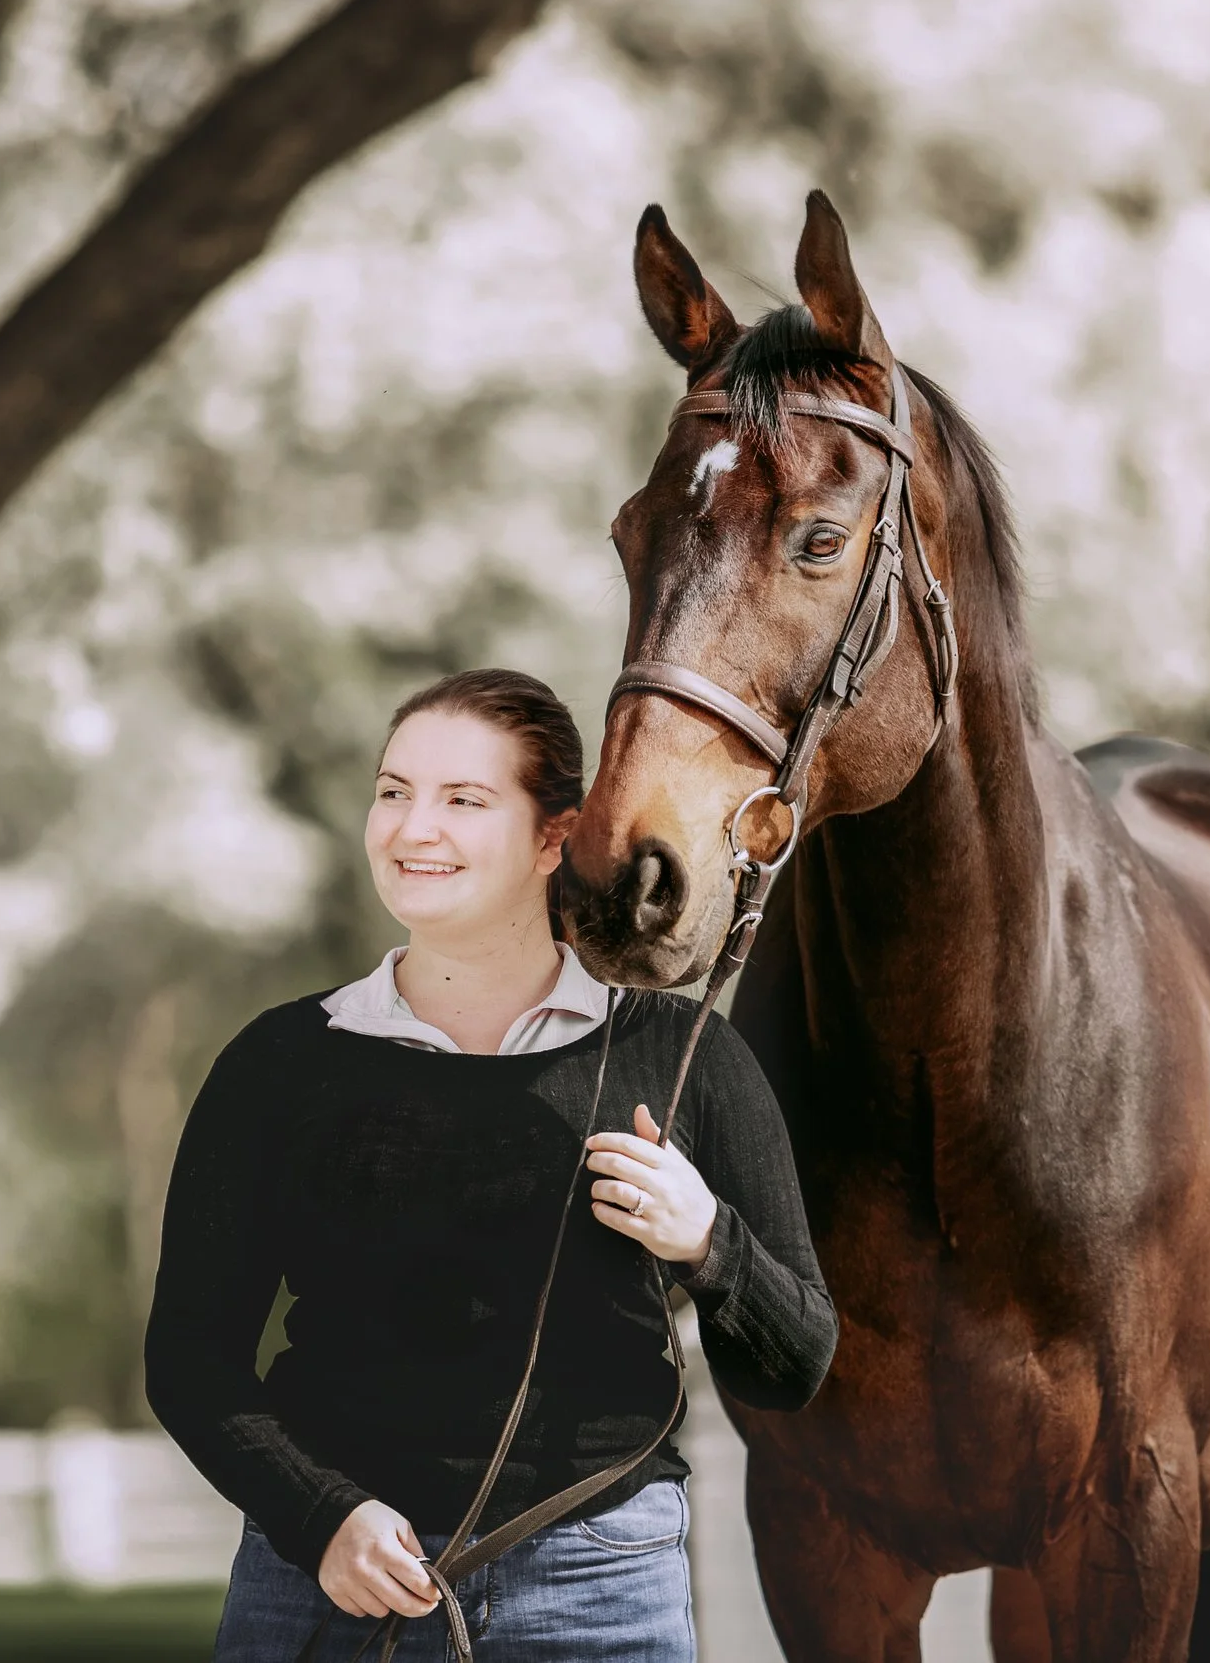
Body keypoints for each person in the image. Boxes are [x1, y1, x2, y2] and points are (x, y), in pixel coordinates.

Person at [145, 667, 836, 1662]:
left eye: (464, 800)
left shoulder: (684, 1058)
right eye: (393, 792)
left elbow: (797, 1362)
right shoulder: (280, 1062)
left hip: (599, 1584)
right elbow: (190, 1359)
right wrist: (319, 1515)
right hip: (320, 1583)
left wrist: (706, 1240)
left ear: (555, 834)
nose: (411, 828)